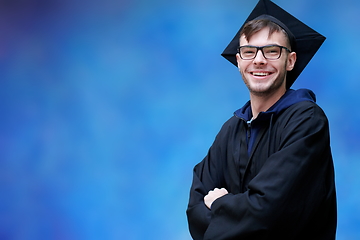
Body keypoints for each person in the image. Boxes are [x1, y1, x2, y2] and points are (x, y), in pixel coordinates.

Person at [186, 0, 337, 239]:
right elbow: (195, 209)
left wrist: (219, 204)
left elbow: (268, 212)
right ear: (238, 61)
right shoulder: (231, 129)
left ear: (290, 61)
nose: (259, 60)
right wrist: (240, 211)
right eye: (249, 51)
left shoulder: (307, 121)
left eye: (272, 50)